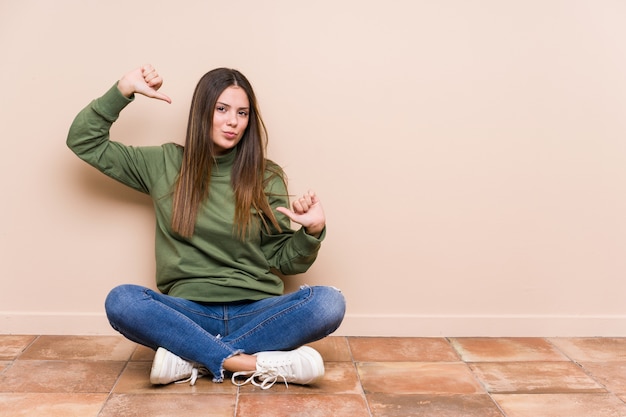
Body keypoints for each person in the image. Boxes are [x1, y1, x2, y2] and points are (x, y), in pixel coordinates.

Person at [66, 64, 346, 389]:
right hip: (188, 312)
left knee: (329, 302)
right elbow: (84, 141)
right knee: (121, 301)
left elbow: (284, 261)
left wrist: (311, 232)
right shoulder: (165, 164)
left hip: (256, 311)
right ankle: (249, 363)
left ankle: (191, 357)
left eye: (242, 113)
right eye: (222, 109)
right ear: (202, 112)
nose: (233, 122)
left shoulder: (265, 176)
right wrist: (123, 90)